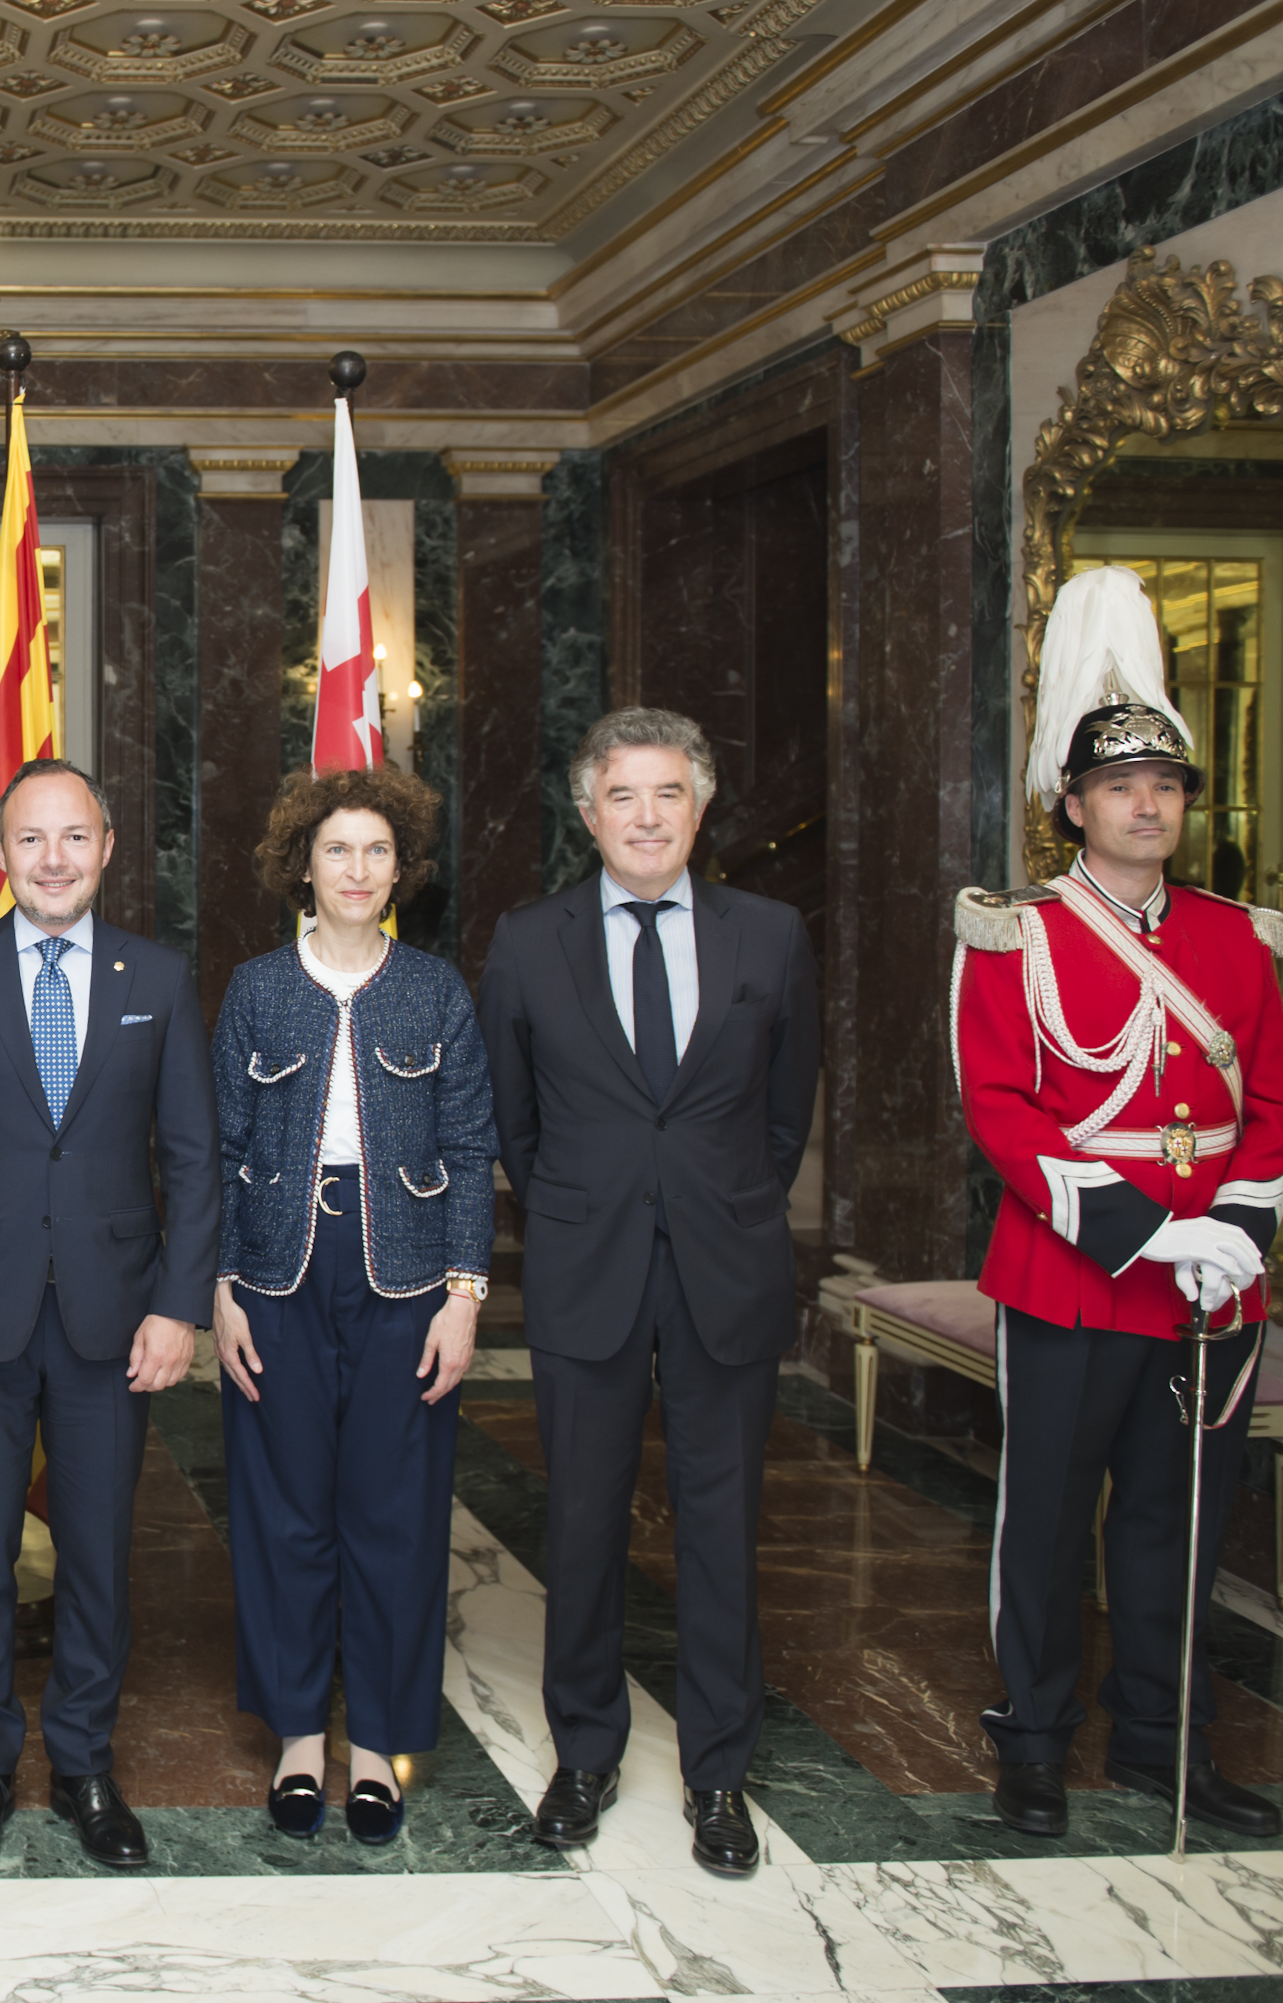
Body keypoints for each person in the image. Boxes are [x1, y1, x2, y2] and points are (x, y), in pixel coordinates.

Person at [951, 563, 1283, 1841]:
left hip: (1216, 1286)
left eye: (1165, 787)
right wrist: (1152, 1230)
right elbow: (1005, 1109)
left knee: (1180, 1524)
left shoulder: (1236, 938)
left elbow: (1276, 1102)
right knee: (1044, 1525)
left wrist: (1238, 1232)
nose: (1146, 805)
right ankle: (1034, 1744)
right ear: (1075, 801)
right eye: (1120, 786)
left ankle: (1165, 1744)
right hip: (1074, 1273)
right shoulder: (1015, 933)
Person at [475, 706, 818, 1877]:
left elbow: (786, 1114)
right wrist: (582, 1199)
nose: (647, 816)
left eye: (668, 792)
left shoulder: (769, 934)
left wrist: (719, 1201)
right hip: (586, 1262)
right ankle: (585, 1752)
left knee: (722, 1528)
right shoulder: (529, 940)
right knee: (579, 1521)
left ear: (701, 805)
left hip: (728, 1266)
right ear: (588, 814)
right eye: (623, 795)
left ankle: (719, 1770)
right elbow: (511, 1122)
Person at [0, 756, 219, 1871]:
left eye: (75, 836)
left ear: (108, 846)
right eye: (32, 838)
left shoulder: (157, 976)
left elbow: (193, 1158)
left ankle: (82, 1761)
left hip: (115, 1321)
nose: (55, 858)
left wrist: (179, 1307)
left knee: (97, 1554)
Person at [211, 763, 494, 1847]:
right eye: (338, 850)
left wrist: (464, 1294)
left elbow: (472, 1150)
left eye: (378, 851)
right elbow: (221, 1149)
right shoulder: (255, 987)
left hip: (407, 1279)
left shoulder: (434, 989)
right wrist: (222, 1288)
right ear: (304, 863)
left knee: (395, 1514)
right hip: (277, 1273)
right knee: (283, 1511)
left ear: (402, 868)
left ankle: (374, 1741)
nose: (358, 869)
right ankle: (295, 1734)